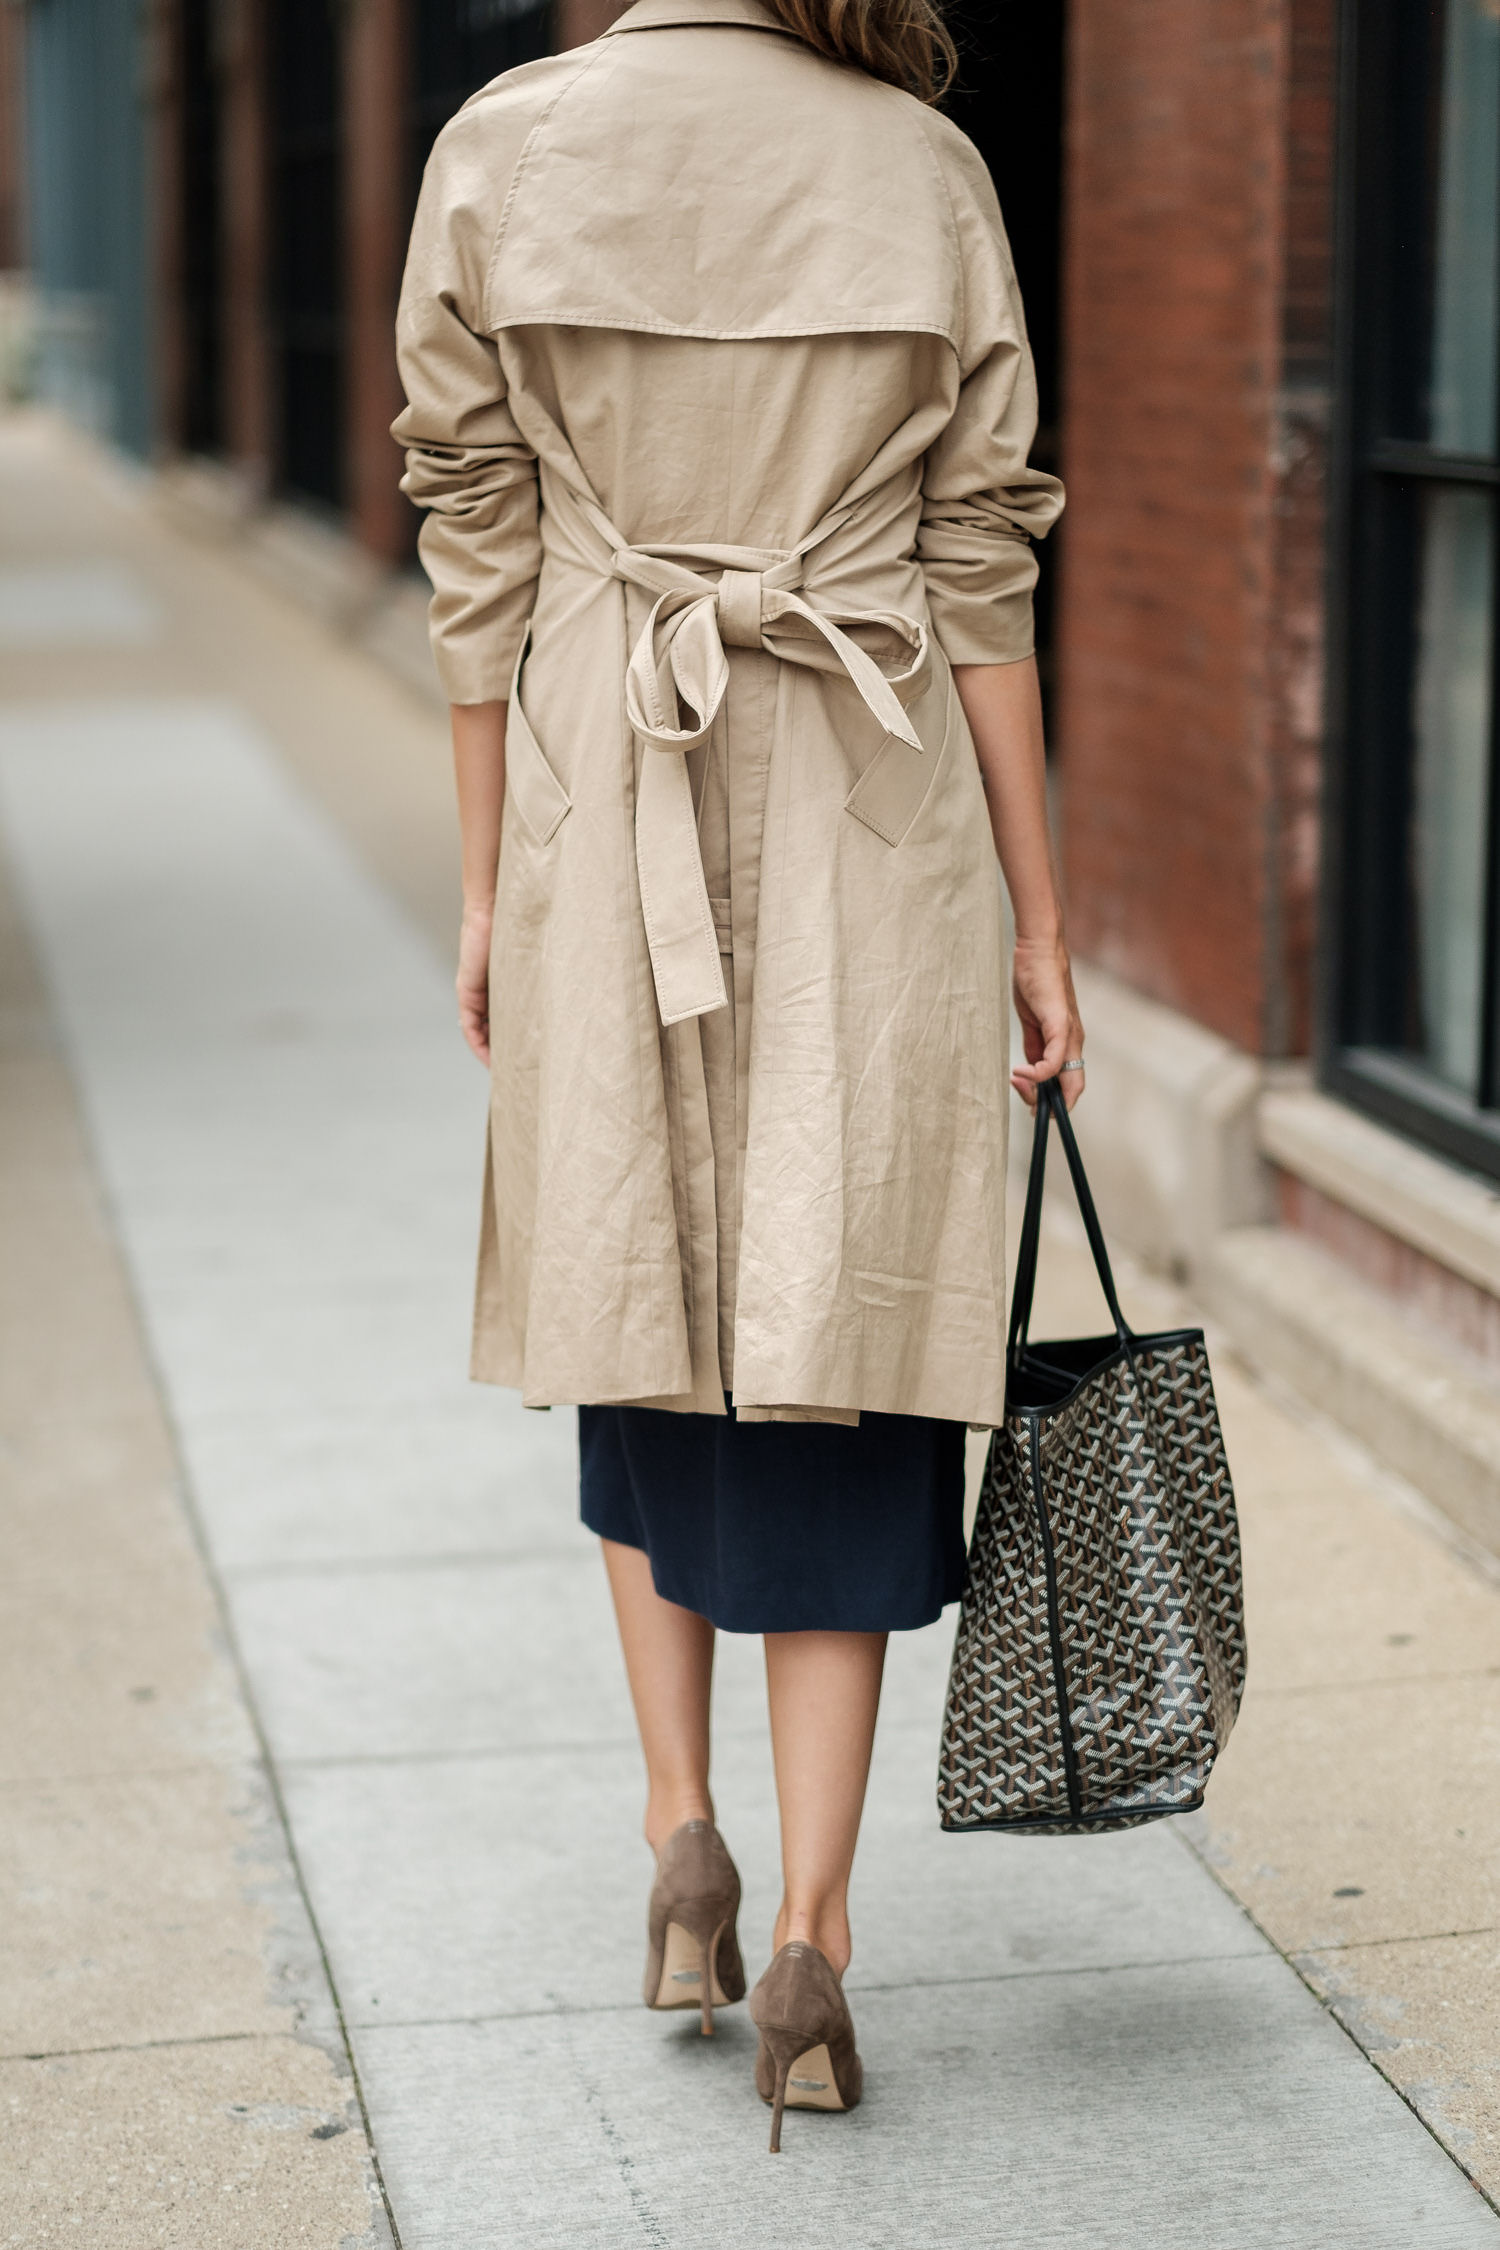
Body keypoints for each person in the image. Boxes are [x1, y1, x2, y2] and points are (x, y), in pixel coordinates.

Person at [394, 0, 1082, 2153]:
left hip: (611, 772)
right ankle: (808, 1932)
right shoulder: (923, 167)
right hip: (875, 797)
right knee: (843, 1319)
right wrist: (1044, 925)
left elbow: (474, 544)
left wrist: (493, 878)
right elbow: (984, 568)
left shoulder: (508, 144)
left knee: (641, 1270)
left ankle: (677, 1838)